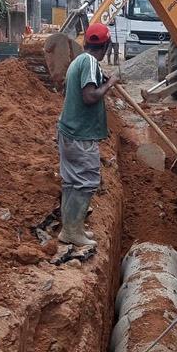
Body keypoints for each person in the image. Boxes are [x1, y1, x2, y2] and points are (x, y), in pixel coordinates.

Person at [56, 23, 119, 247]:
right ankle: (73, 232)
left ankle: (71, 229)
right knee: (86, 182)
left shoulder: (80, 61)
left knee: (72, 181)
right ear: (106, 46)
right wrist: (110, 84)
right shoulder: (90, 62)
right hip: (80, 136)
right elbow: (89, 96)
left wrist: (102, 78)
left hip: (69, 132)